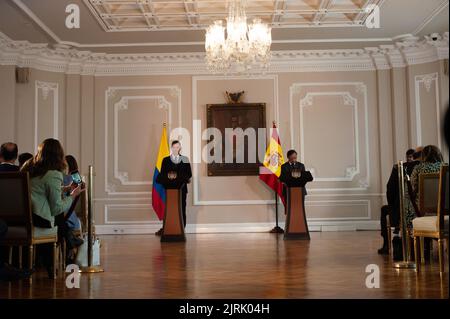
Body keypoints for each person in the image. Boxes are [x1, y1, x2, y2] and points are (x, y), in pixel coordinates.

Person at [21, 138, 84, 278]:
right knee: (57, 215)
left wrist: (64, 189)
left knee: (56, 217)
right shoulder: (53, 174)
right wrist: (72, 195)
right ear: (59, 155)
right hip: (39, 221)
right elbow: (57, 208)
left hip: (22, 219)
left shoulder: (28, 168)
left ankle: (68, 241)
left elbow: (40, 191)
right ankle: (68, 243)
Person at [378, 148, 422, 256]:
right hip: (429, 211)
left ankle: (386, 245)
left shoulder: (399, 168)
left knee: (385, 210)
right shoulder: (436, 168)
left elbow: (390, 189)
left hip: (404, 208)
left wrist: (393, 205)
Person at [155, 140, 192, 235]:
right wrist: (169, 175)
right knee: (169, 209)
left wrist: (175, 175)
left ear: (180, 148)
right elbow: (162, 174)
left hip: (182, 190)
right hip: (169, 190)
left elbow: (189, 174)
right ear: (171, 148)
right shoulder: (165, 160)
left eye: (177, 147)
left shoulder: (185, 159)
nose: (176, 149)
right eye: (174, 147)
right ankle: (168, 229)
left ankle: (181, 230)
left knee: (181, 208)